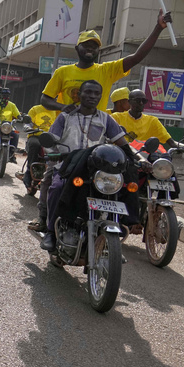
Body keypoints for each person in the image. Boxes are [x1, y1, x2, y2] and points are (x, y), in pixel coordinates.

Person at [41, 80, 140, 251]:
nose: (92, 96)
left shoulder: (106, 119)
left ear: (101, 97)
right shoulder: (66, 116)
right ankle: (50, 231)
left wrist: (138, 159)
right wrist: (53, 154)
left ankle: (117, 232)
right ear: (79, 95)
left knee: (121, 187)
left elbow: (122, 142)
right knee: (57, 187)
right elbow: (51, 141)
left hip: (96, 169)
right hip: (68, 166)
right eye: (88, 92)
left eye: (96, 93)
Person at [41, 9, 172, 114]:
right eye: (86, 44)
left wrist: (158, 28)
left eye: (94, 46)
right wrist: (63, 107)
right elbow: (45, 99)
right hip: (66, 130)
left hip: (95, 131)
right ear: (77, 48)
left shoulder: (106, 70)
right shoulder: (63, 72)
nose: (90, 48)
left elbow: (137, 57)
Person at [112, 89, 184, 153]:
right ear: (129, 102)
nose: (141, 103)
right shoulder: (116, 118)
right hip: (123, 156)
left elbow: (171, 142)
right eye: (138, 100)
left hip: (146, 159)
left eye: (144, 101)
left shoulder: (152, 121)